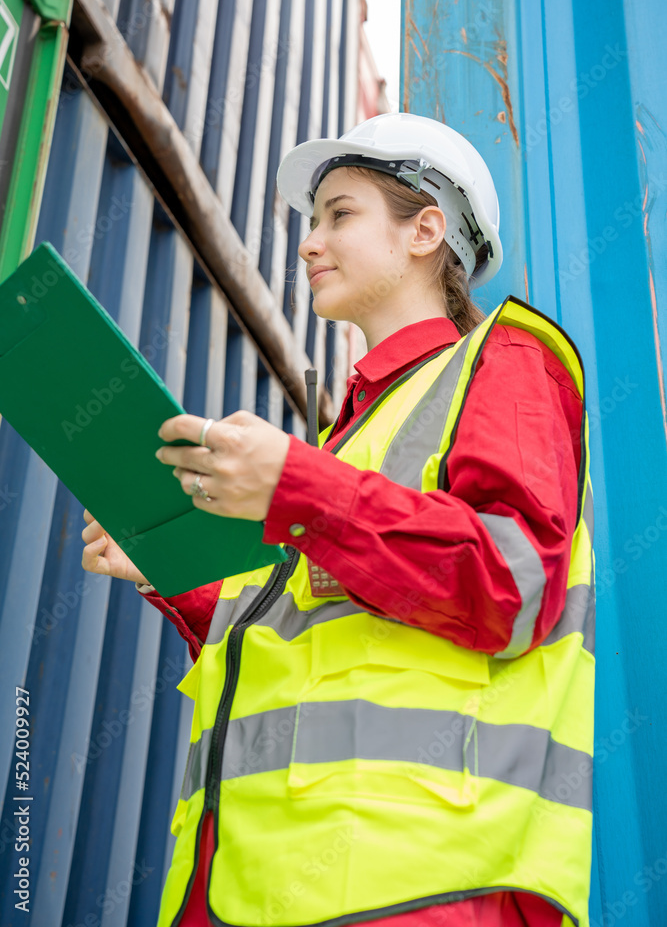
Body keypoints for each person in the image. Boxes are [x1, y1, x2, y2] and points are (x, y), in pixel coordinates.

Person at [81, 112, 594, 927]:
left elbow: (513, 586)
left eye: (339, 214)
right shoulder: (345, 438)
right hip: (255, 880)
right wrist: (172, 575)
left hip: (416, 883)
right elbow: (314, 632)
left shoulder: (504, 362)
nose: (307, 243)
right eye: (311, 221)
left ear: (425, 229)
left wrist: (300, 486)